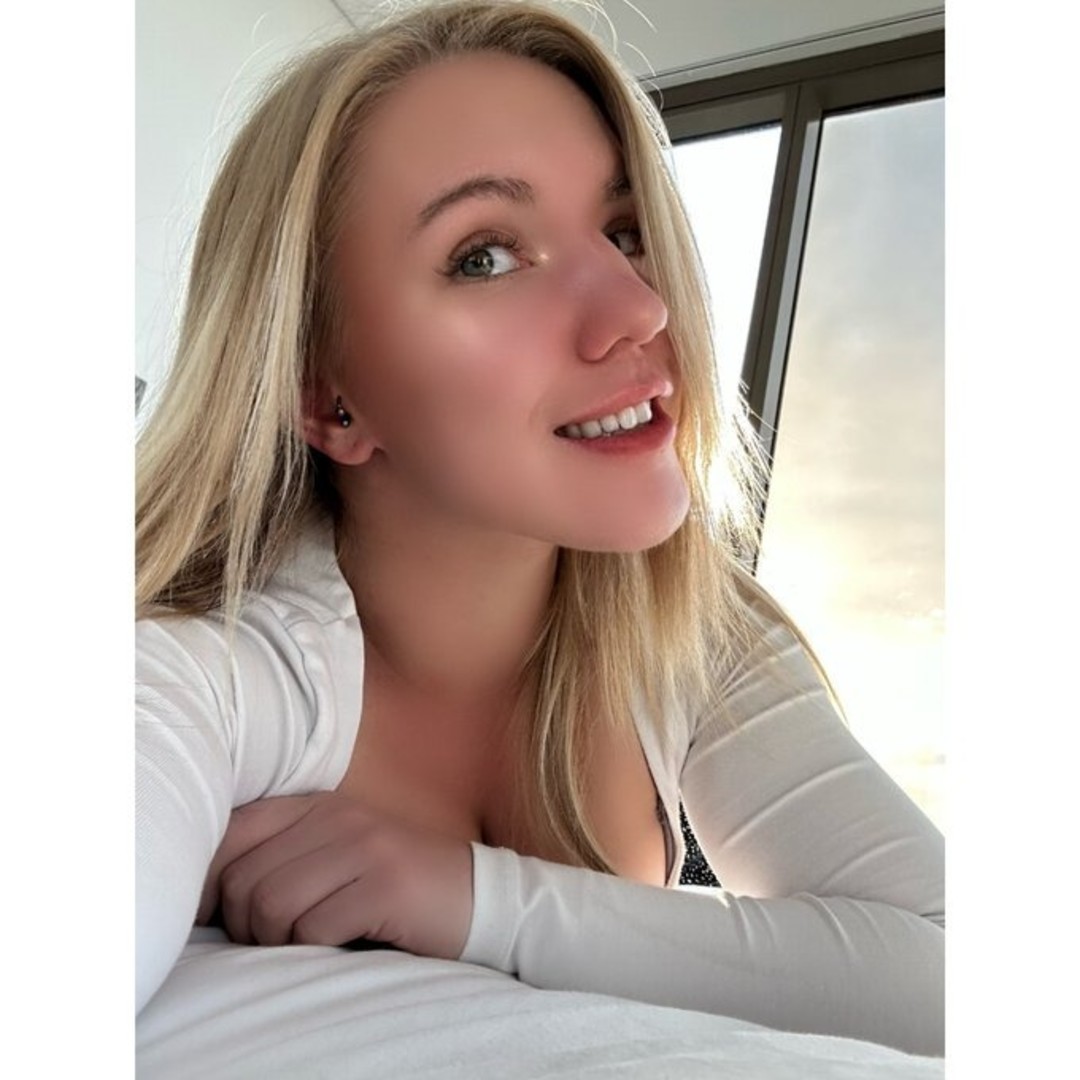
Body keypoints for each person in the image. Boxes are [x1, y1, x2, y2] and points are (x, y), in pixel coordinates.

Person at [136, 0, 944, 1059]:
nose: (639, 310)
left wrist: (479, 901)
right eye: (485, 256)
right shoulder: (206, 669)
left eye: (624, 231)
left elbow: (951, 972)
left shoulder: (693, 627)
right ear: (327, 398)